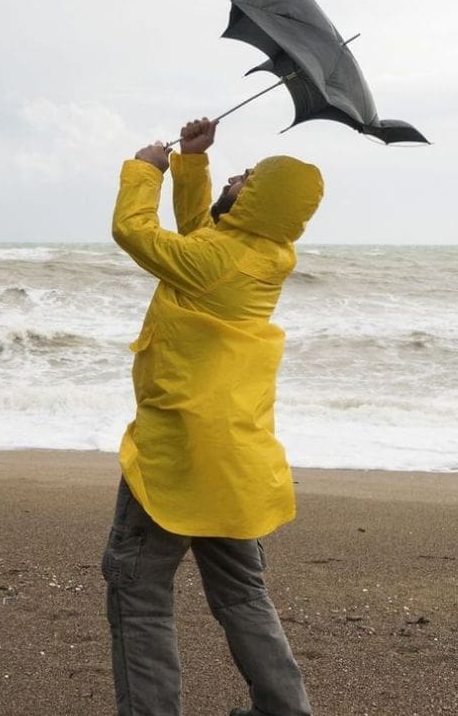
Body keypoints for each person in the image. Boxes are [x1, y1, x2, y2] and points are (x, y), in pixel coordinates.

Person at [103, 116, 324, 716]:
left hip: (179, 454)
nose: (233, 178)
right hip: (236, 460)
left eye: (245, 179)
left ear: (256, 203)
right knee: (242, 594)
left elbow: (133, 231)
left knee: (138, 591)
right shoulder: (263, 253)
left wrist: (145, 169)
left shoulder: (214, 261)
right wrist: (194, 163)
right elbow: (204, 235)